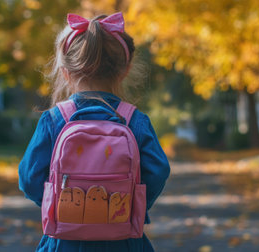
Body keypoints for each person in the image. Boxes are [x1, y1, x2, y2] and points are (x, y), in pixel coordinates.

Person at [18, 12, 170, 252]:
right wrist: (131, 204)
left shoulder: (54, 120)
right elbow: (159, 171)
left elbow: (28, 178)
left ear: (65, 71)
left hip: (64, 241)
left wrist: (61, 205)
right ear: (125, 70)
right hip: (124, 241)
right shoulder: (135, 121)